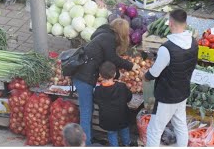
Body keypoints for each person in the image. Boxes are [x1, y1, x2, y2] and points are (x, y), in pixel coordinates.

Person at [72, 18, 140, 145]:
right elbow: (112, 58)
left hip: (83, 73)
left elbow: (107, 61)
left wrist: (117, 74)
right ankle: (86, 144)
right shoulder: (108, 39)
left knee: (88, 109)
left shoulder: (104, 35)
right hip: (83, 77)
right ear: (122, 33)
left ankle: (89, 138)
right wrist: (130, 66)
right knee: (86, 111)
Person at [143, 9, 198, 147]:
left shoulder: (166, 48)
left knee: (154, 130)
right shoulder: (193, 42)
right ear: (185, 23)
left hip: (167, 96)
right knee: (180, 126)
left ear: (171, 24)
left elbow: (154, 73)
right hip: (183, 92)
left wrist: (145, 76)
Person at [94, 61, 132, 146]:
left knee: (111, 134)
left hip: (108, 120)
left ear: (100, 75)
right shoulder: (121, 87)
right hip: (122, 116)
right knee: (124, 130)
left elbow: (96, 100)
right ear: (115, 74)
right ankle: (127, 144)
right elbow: (129, 97)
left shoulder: (98, 90)